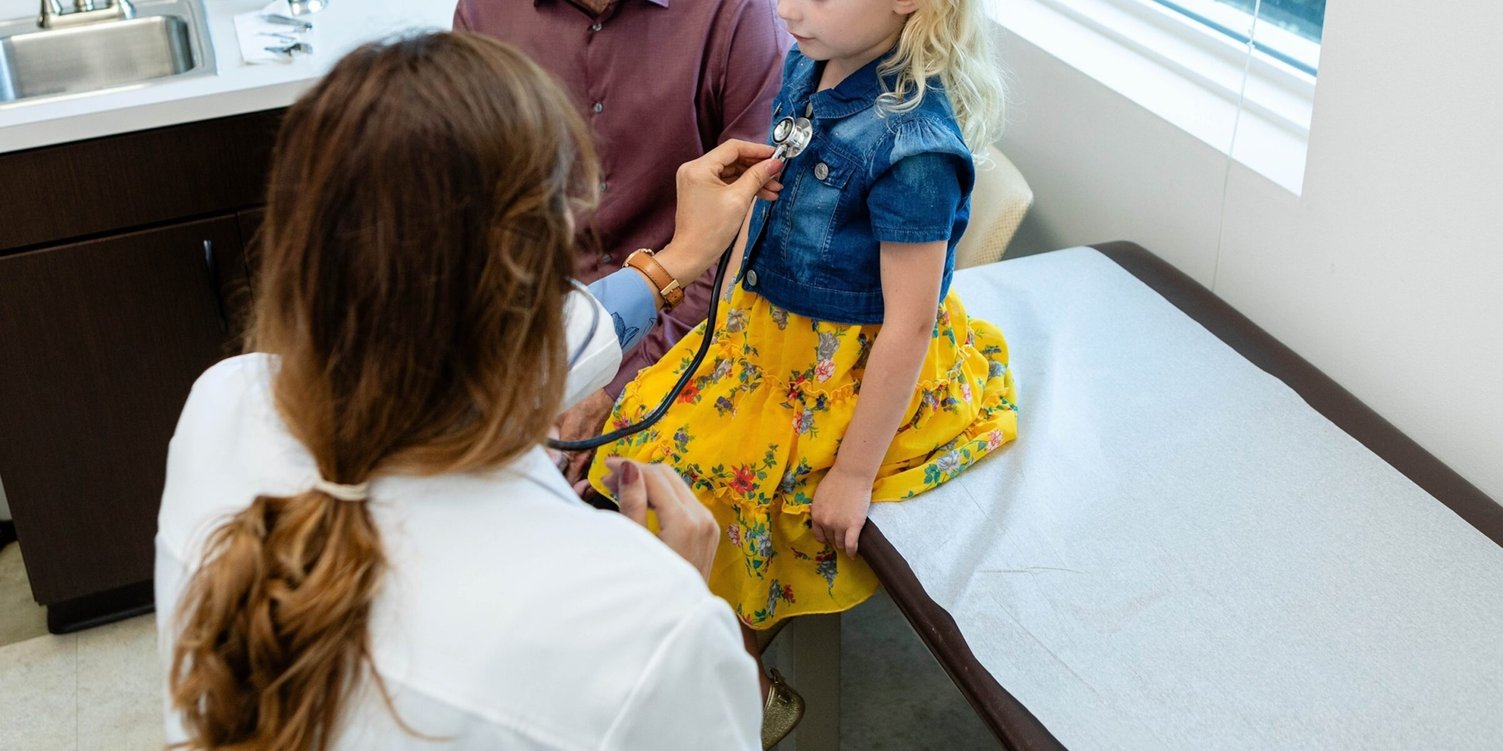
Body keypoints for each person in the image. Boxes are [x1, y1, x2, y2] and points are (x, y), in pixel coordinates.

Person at [155, 33, 784, 750]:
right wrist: (673, 606)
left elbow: (537, 334)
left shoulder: (221, 404)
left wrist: (676, 261)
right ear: (542, 272)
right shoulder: (642, 626)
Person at [588, 0, 1018, 743]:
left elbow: (909, 325)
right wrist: (724, 324)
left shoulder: (917, 150)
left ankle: (741, 680)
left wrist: (853, 474)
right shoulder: (806, 63)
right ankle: (723, 661)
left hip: (841, 368)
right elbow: (759, 213)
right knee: (648, 450)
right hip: (763, 338)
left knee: (716, 498)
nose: (788, 6)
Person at [453, 0, 791, 479]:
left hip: (692, 341)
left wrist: (613, 389)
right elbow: (476, 220)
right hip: (528, 345)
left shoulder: (740, 14)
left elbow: (748, 233)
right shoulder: (484, 15)